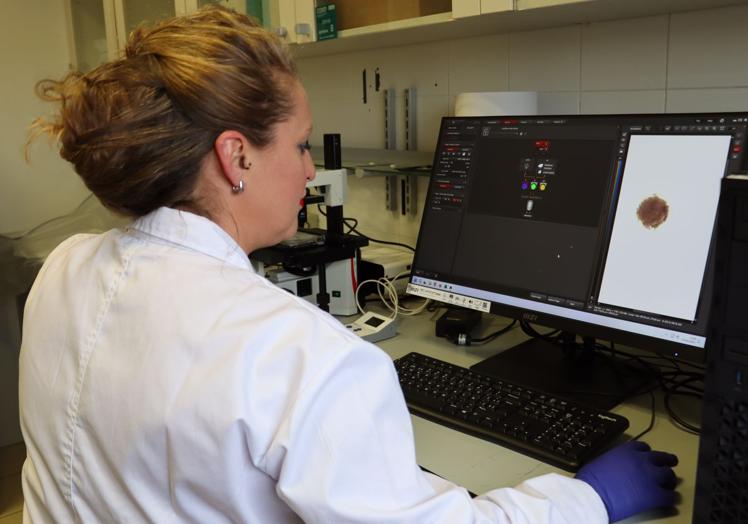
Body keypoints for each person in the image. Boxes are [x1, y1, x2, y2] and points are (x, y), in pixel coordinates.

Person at [20, 6, 678, 523]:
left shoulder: (64, 271)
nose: (310, 169)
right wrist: (588, 501)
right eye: (301, 144)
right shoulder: (299, 354)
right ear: (234, 157)